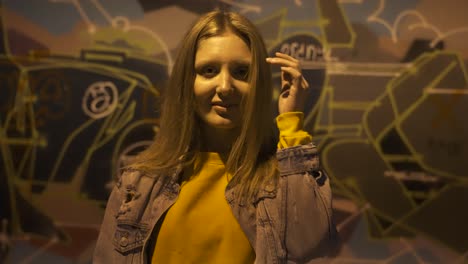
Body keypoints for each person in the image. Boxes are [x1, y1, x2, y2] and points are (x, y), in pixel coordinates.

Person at [93, 10, 339, 264]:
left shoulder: (281, 184)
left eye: (242, 72)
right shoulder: (138, 183)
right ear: (187, 81)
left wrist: (292, 123)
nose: (224, 87)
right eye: (209, 70)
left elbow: (312, 248)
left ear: (259, 83)